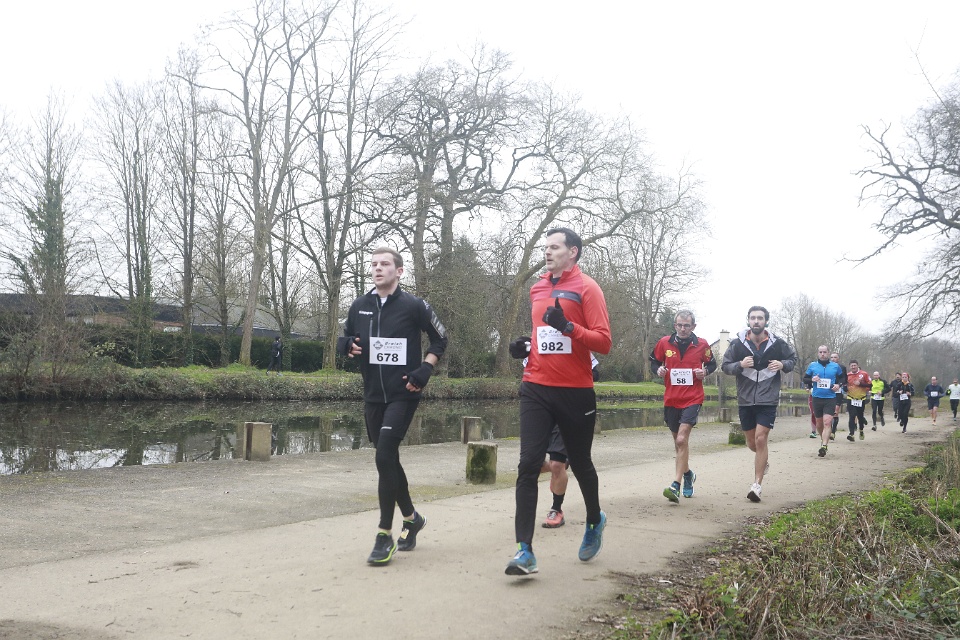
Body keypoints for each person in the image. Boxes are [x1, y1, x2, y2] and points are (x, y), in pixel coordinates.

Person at [505, 227, 612, 576]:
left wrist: (568, 327)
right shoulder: (537, 287)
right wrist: (524, 346)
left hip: (575, 390)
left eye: (554, 247)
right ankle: (524, 550)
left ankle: (594, 520)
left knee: (580, 462)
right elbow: (542, 335)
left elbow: (603, 342)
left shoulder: (588, 288)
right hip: (536, 386)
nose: (547, 252)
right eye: (545, 247)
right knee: (527, 464)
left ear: (573, 252)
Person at [338, 247, 448, 565]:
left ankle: (383, 535)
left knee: (385, 453)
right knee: (387, 460)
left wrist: (425, 368)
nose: (377, 268)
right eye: (373, 264)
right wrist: (347, 345)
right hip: (373, 393)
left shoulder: (414, 306)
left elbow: (440, 338)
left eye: (384, 264)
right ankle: (412, 518)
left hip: (404, 392)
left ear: (399, 271)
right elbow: (346, 339)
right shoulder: (359, 306)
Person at [721, 306, 797, 503]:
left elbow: (792, 360)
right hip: (745, 399)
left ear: (766, 321)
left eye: (760, 318)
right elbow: (725, 366)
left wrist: (782, 365)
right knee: (751, 443)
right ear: (748, 320)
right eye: (753, 318)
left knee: (761, 438)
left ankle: (756, 485)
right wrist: (739, 365)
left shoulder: (777, 343)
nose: (756, 321)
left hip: (767, 398)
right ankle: (763, 462)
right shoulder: (737, 344)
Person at [649, 310, 717, 503]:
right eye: (679, 325)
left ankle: (675, 484)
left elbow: (712, 364)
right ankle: (688, 474)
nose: (683, 329)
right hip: (672, 399)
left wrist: (704, 372)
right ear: (675, 325)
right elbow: (654, 361)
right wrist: (658, 369)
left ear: (693, 326)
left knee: (681, 439)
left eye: (687, 325)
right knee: (679, 443)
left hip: (693, 398)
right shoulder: (664, 343)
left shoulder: (702, 344)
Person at [540, 356, 600, 528]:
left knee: (556, 464)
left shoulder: (575, 345)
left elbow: (595, 373)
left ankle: (556, 509)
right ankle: (558, 469)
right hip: (541, 409)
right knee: (533, 464)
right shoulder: (536, 344)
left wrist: (571, 372)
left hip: (568, 407)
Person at [801, 345, 844, 458]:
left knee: (827, 422)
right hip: (817, 397)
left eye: (824, 352)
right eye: (820, 352)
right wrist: (812, 379)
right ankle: (823, 438)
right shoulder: (813, 365)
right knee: (819, 424)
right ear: (818, 353)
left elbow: (843, 378)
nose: (822, 354)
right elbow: (805, 379)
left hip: (830, 398)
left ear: (828, 353)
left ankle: (824, 446)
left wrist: (838, 385)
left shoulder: (835, 366)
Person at [845, 361, 872, 441]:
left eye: (855, 365)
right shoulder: (847, 375)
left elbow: (870, 385)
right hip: (850, 398)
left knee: (860, 416)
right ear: (849, 367)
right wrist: (845, 388)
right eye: (852, 366)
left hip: (861, 398)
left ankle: (861, 430)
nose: (853, 367)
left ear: (858, 366)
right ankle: (851, 434)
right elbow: (844, 385)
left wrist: (860, 384)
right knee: (852, 415)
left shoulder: (864, 374)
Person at [829, 352, 847, 440]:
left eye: (835, 357)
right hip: (828, 391)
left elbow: (844, 379)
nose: (833, 359)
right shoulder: (827, 367)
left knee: (835, 411)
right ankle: (829, 428)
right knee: (829, 412)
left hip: (838, 391)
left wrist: (839, 385)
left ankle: (833, 432)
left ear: (838, 359)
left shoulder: (842, 367)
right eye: (832, 357)